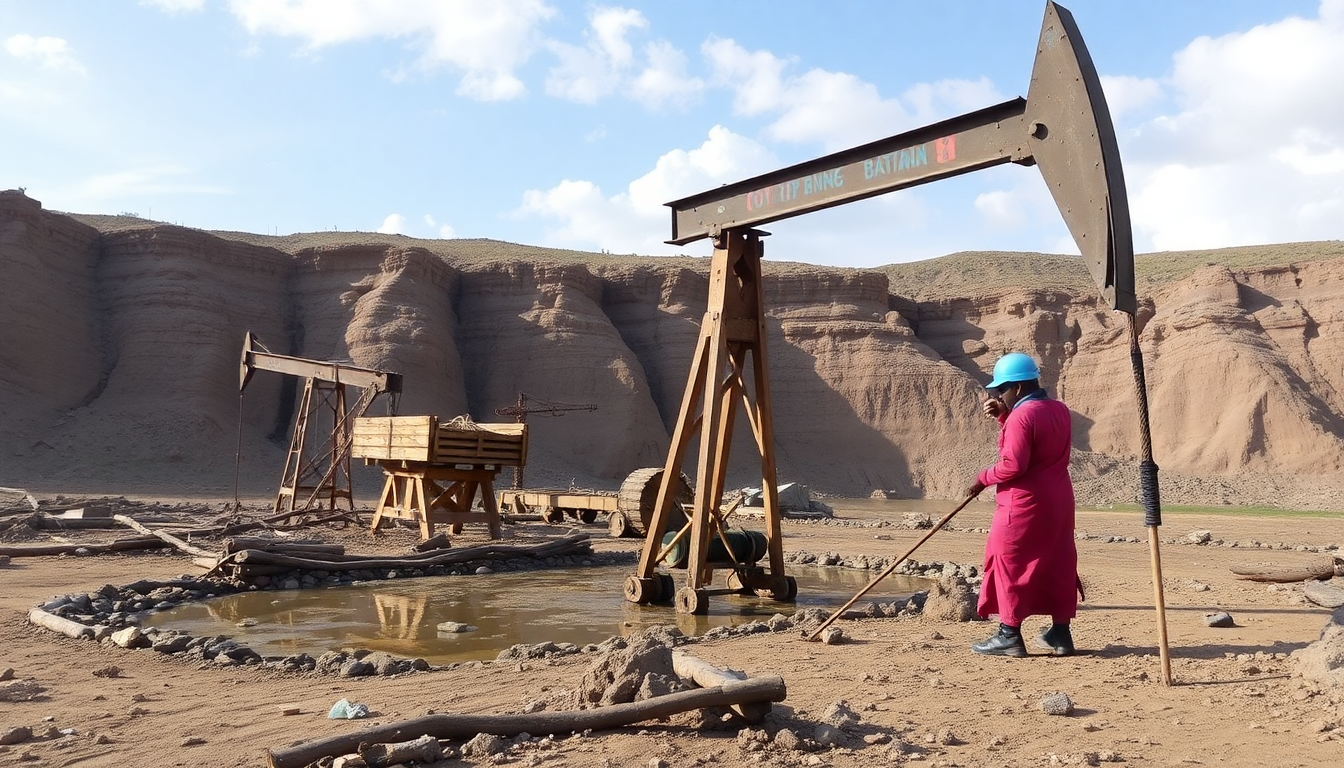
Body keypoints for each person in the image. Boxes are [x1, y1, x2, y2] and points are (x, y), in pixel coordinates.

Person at [966, 352, 1079, 657]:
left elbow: (1013, 464)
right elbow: (1039, 445)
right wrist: (1003, 416)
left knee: (1010, 562)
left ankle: (1009, 635)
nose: (997, 395)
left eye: (1001, 390)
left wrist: (981, 478)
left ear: (1017, 387)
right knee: (1056, 562)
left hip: (1024, 504)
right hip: (1058, 501)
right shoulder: (1059, 409)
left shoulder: (1022, 416)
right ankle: (1060, 634)